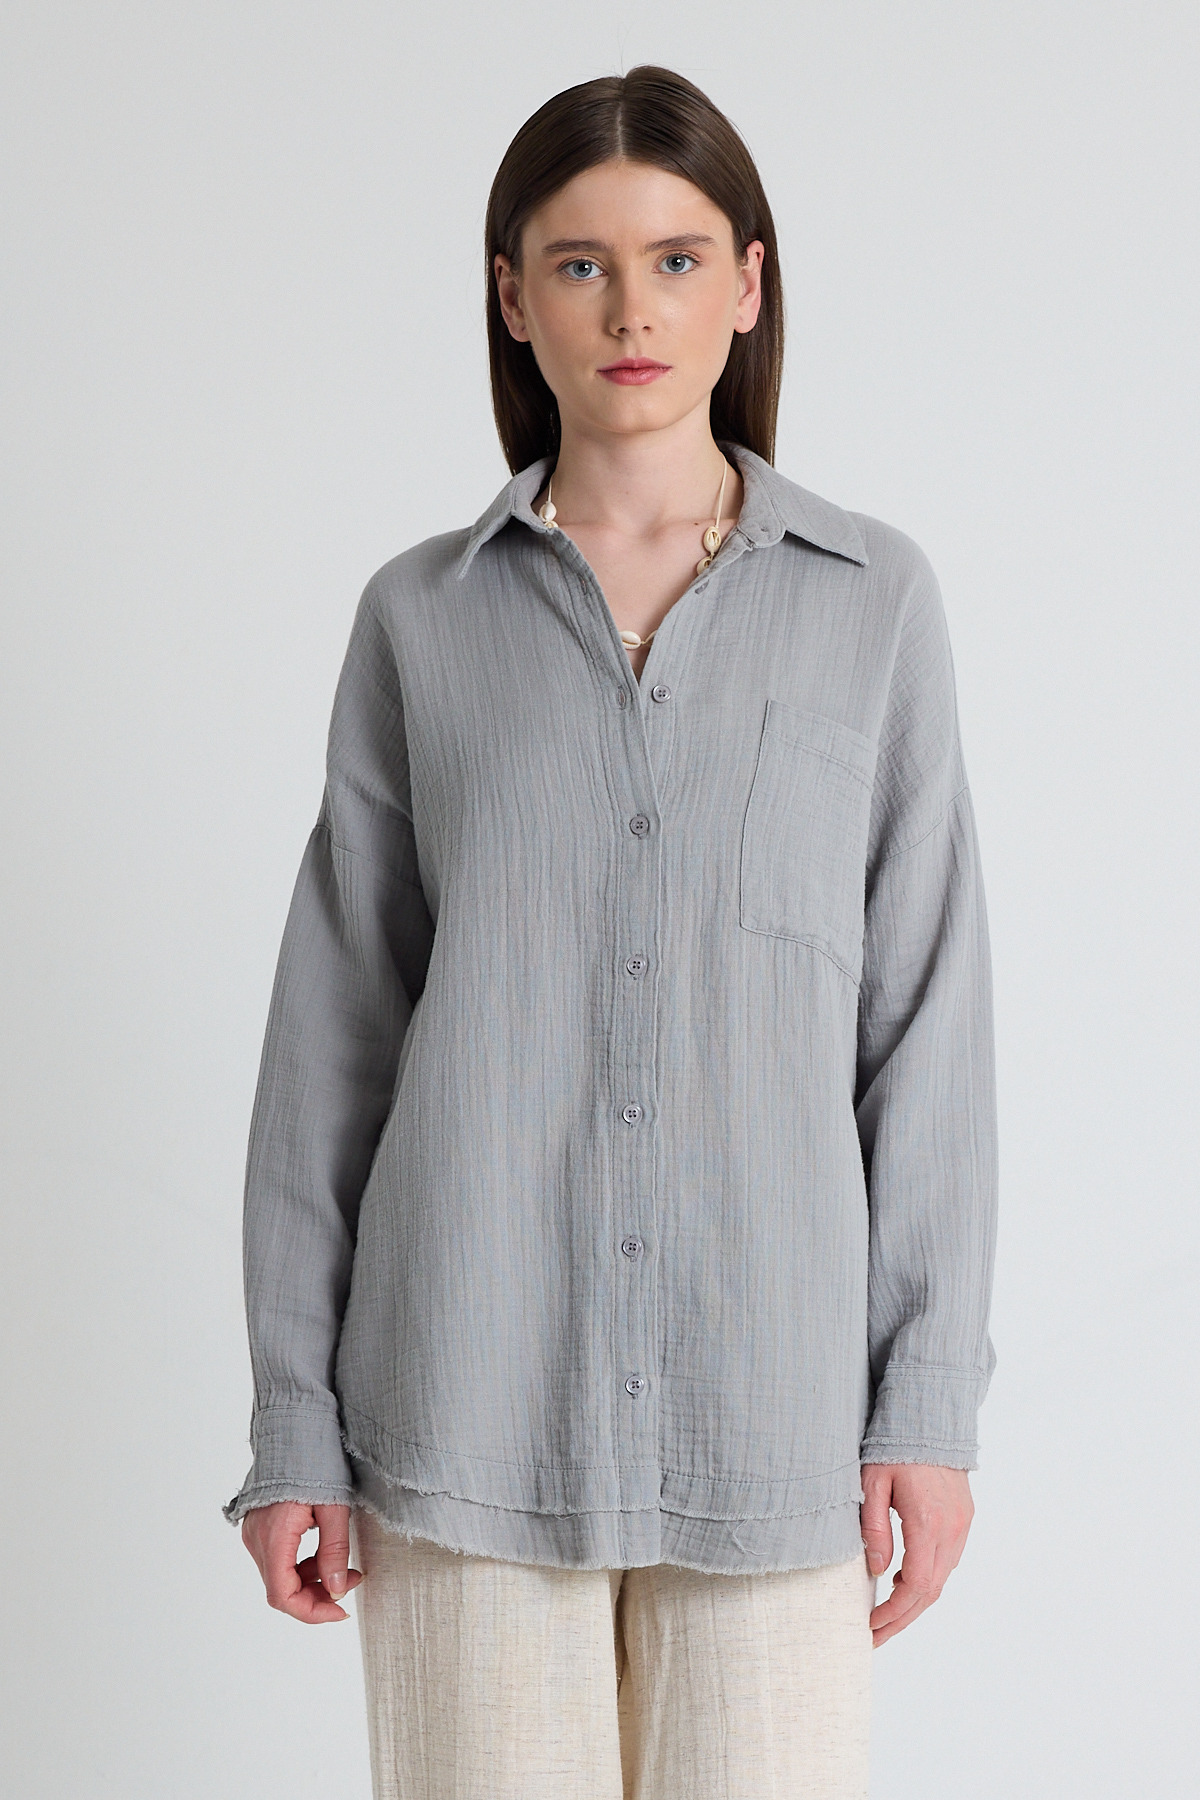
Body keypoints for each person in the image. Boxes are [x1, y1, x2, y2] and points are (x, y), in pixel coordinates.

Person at [223, 64, 998, 1800]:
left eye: (675, 258)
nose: (631, 309)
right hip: (462, 1414)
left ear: (749, 283)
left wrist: (928, 1407)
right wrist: (294, 1426)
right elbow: (333, 1037)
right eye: (579, 264)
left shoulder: (875, 606)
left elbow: (927, 1025)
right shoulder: (420, 619)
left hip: (776, 1427)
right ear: (514, 298)